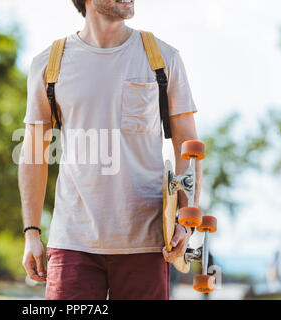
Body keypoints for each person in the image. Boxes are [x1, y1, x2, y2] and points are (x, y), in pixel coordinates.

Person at [19, 0, 202, 300]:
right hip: (72, 243)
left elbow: (189, 148)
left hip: (148, 243)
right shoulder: (49, 63)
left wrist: (186, 220)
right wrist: (31, 234)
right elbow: (33, 155)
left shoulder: (162, 58)